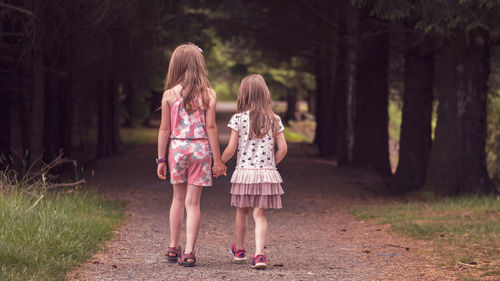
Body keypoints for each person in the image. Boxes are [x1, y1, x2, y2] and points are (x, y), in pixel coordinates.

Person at [156, 43, 226, 267]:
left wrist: (161, 159)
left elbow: (164, 130)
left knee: (177, 199)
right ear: (199, 65)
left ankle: (172, 246)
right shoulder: (209, 95)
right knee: (193, 203)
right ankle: (188, 252)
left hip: (177, 149)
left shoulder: (169, 95)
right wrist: (218, 160)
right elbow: (212, 128)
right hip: (200, 150)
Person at [219, 74, 287, 269]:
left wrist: (219, 163)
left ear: (244, 95)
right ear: (265, 94)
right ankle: (259, 256)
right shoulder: (274, 119)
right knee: (260, 215)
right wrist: (271, 164)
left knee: (242, 212)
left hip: (244, 173)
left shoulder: (238, 119)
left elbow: (231, 149)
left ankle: (239, 249)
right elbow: (283, 149)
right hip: (267, 173)